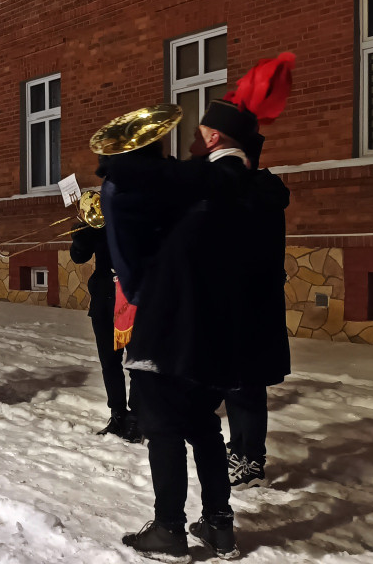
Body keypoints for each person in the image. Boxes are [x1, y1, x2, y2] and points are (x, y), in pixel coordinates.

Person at [110, 53, 294, 563]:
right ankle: (218, 524)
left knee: (163, 428)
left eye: (198, 132)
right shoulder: (257, 187)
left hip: (174, 325)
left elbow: (163, 246)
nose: (190, 140)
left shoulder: (206, 185)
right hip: (221, 331)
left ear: (213, 139)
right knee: (205, 426)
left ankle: (168, 529)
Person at [69, 214, 140, 443]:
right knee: (109, 363)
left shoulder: (136, 215)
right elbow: (79, 257)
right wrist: (79, 236)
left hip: (132, 299)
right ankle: (118, 414)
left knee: (136, 363)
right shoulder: (99, 223)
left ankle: (137, 419)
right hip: (104, 301)